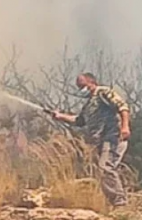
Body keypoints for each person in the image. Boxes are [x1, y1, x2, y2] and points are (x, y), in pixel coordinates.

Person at [50, 73, 132, 207]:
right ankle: (114, 202)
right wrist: (60, 116)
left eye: (82, 85)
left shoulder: (103, 92)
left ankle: (120, 203)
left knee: (105, 167)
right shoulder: (89, 104)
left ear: (91, 82)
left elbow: (122, 106)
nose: (80, 89)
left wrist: (125, 127)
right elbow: (79, 121)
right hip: (101, 142)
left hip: (113, 137)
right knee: (104, 170)